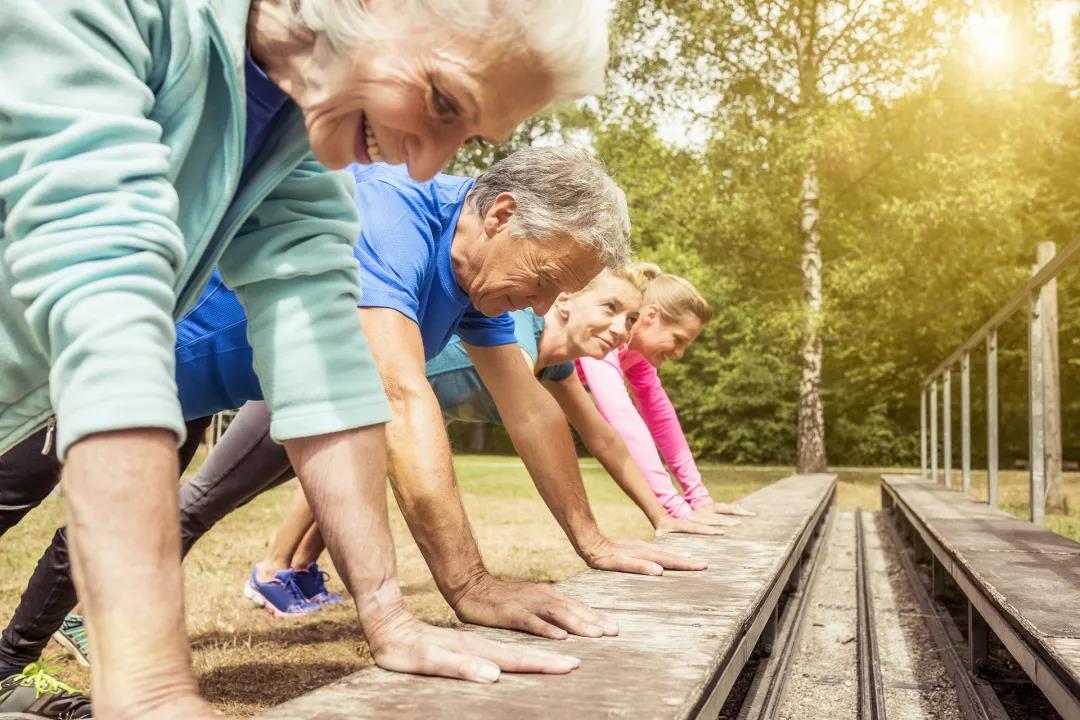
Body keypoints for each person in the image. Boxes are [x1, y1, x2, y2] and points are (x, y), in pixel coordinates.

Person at [0, 1, 610, 716]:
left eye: (465, 133)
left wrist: (388, 616)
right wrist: (152, 689)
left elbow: (323, 353)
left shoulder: (304, 128)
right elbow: (102, 288)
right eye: (442, 101)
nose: (427, 162)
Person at [250, 266, 724, 613]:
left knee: (361, 475)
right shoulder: (516, 331)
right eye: (611, 310)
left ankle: (300, 571)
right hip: (353, 385)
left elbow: (604, 439)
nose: (621, 332)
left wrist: (662, 518)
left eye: (629, 319)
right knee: (336, 473)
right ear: (564, 301)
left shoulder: (556, 366)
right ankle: (270, 570)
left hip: (413, 409)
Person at [576, 266, 755, 526]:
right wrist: (677, 508)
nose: (679, 354)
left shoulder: (636, 354)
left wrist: (700, 499)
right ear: (651, 316)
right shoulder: (607, 334)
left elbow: (661, 418)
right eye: (678, 339)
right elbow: (622, 419)